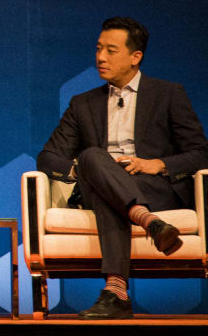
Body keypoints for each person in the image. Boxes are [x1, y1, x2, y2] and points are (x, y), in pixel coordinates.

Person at [38, 17, 208, 319]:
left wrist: (157, 164)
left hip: (152, 187)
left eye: (111, 50)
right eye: (98, 48)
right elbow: (48, 157)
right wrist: (86, 170)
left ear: (135, 57)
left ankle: (116, 291)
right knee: (92, 156)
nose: (100, 57)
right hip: (97, 184)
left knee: (106, 190)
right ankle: (149, 223)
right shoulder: (82, 104)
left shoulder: (168, 94)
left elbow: (201, 153)